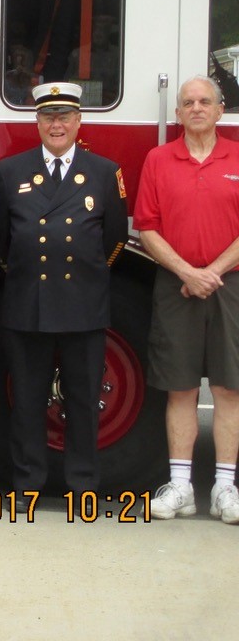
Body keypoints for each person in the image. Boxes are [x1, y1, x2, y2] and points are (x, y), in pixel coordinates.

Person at [0, 82, 127, 498]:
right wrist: (26, 273)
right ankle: (28, 483)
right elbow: (0, 240)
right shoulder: (11, 171)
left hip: (83, 305)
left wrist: (88, 275)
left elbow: (115, 239)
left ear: (79, 120)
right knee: (28, 401)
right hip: (28, 303)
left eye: (64, 116)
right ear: (37, 122)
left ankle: (82, 484)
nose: (56, 125)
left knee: (82, 401)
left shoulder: (104, 172)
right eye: (48, 117)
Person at [135, 76, 239, 523]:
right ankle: (180, 487)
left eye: (204, 102)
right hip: (175, 285)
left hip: (229, 285)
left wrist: (211, 272)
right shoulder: (158, 159)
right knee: (178, 388)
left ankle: (224, 488)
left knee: (228, 388)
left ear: (220, 110)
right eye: (187, 103)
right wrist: (186, 271)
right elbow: (147, 226)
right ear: (176, 114)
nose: (196, 108)